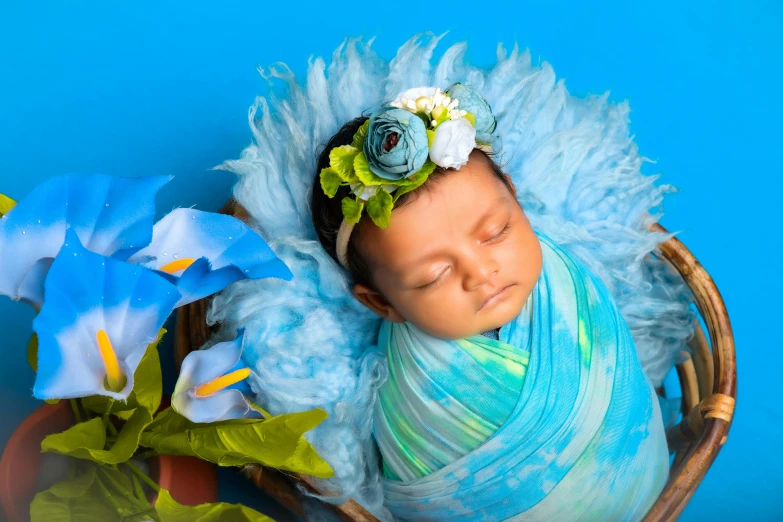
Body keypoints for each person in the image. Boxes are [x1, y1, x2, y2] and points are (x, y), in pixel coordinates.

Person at [309, 85, 669, 521]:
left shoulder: (562, 277)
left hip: (652, 473)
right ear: (383, 304)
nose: (481, 273)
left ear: (515, 198)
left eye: (497, 230)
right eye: (433, 276)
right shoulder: (417, 399)